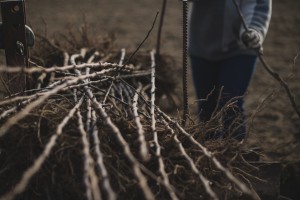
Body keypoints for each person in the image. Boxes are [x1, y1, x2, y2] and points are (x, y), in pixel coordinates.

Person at [188, 0, 272, 140]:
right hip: (201, 45)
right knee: (206, 108)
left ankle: (233, 155)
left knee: (231, 105)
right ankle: (206, 153)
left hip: (242, 47)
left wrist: (254, 30)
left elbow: (258, 5)